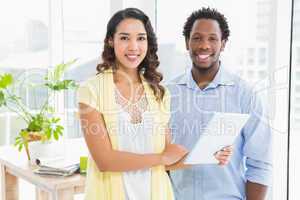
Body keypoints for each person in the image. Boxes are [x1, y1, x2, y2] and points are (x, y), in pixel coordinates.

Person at [77, 8, 232, 200]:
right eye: (125, 38)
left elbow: (167, 160)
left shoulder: (159, 93)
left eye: (141, 38)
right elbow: (105, 161)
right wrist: (161, 158)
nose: (134, 47)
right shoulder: (91, 90)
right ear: (111, 41)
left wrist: (210, 155)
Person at [167, 7, 272, 200]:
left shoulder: (245, 94)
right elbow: (158, 157)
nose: (204, 45)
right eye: (197, 38)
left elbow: (260, 163)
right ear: (187, 43)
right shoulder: (167, 93)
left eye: (212, 39)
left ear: (223, 44)